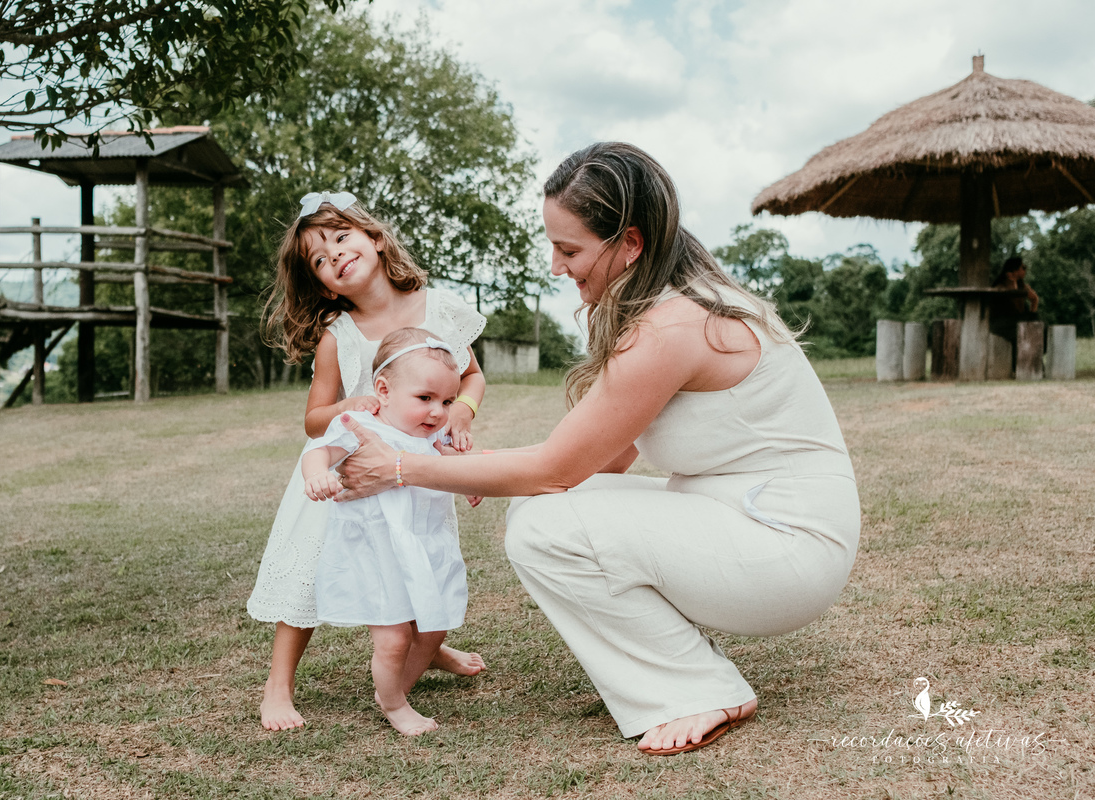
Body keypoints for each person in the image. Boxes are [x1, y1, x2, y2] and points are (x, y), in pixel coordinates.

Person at [332, 143, 861, 755]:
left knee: (542, 525)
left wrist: (400, 467)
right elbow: (602, 460)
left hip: (787, 548)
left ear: (629, 244)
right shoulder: (670, 308)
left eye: (570, 249)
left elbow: (557, 470)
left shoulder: (671, 326)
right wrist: (473, 466)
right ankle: (686, 674)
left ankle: (695, 690)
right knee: (536, 512)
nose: (557, 267)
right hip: (747, 520)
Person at [247, 191, 488, 731]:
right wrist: (347, 404)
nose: (333, 256)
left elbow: (470, 375)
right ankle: (278, 685)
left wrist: (463, 414)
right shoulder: (339, 336)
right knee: (305, 573)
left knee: (418, 566)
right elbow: (313, 421)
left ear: (374, 239)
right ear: (321, 283)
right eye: (318, 259)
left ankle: (429, 647)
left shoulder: (439, 307)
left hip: (411, 473)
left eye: (340, 238)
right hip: (342, 472)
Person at [303, 327, 470, 736]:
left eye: (447, 401)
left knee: (434, 626)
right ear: (383, 389)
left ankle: (397, 689)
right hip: (377, 552)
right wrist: (317, 476)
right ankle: (394, 704)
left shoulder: (431, 438)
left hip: (426, 546)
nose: (437, 412)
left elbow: (453, 468)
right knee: (394, 637)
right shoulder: (361, 426)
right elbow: (318, 450)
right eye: (425, 398)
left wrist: (470, 484)